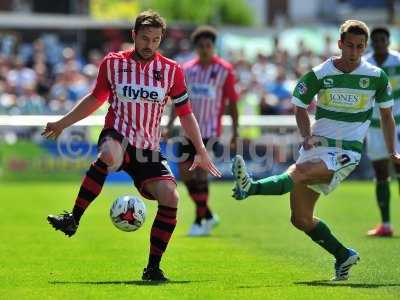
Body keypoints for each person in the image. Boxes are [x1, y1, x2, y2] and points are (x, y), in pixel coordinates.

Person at [42, 10, 221, 282]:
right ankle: (73, 218)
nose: (150, 45)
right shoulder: (112, 63)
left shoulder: (172, 70)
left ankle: (152, 268)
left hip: (148, 148)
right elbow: (95, 98)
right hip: (118, 134)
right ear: (134, 36)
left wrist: (201, 149)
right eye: (145, 38)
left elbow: (186, 113)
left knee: (171, 197)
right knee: (109, 155)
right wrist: (64, 122)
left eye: (156, 40)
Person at [231, 20, 400, 281]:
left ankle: (250, 187)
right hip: (317, 146)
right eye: (350, 46)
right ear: (340, 44)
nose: (354, 52)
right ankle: (344, 255)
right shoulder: (321, 73)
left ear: (364, 47)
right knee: (300, 219)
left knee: (299, 171)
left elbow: (388, 117)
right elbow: (299, 104)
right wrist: (306, 135)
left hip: (347, 151)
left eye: (360, 47)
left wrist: (393, 151)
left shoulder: (376, 77)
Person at [165, 25, 239, 236]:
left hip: (210, 131)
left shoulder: (225, 70)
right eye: (201, 46)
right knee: (185, 175)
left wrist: (235, 132)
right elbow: (177, 100)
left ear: (213, 47)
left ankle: (200, 221)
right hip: (187, 131)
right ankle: (207, 214)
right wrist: (170, 125)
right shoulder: (187, 70)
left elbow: (232, 103)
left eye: (208, 45)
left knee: (199, 174)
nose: (205, 49)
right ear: (196, 48)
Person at [364, 27, 400, 237]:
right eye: (375, 40)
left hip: (398, 126)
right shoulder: (365, 64)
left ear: (388, 41)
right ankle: (385, 224)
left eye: (382, 40)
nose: (378, 43)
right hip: (375, 127)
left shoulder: (397, 61)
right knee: (380, 174)